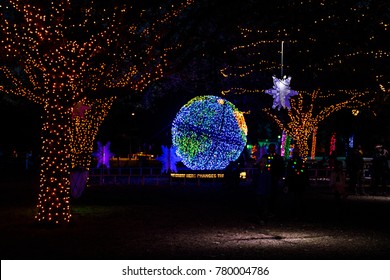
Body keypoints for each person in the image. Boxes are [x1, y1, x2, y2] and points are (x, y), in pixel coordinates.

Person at [261, 143, 285, 216]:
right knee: (265, 195)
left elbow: (281, 168)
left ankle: (272, 210)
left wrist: (279, 177)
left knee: (273, 195)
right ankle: (266, 210)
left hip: (274, 179)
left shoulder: (278, 158)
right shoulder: (265, 157)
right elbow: (261, 166)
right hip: (266, 179)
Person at [285, 147, 309, 218]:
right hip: (294, 182)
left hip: (299, 182)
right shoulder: (292, 161)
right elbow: (289, 172)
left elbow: (304, 172)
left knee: (299, 197)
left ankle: (298, 212)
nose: (295, 154)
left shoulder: (300, 162)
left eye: (296, 153)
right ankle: (294, 211)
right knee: (294, 197)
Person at [252, 158, 272, 225]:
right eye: (261, 163)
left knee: (264, 206)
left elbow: (268, 183)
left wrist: (268, 191)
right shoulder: (257, 172)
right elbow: (254, 182)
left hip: (264, 192)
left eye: (263, 163)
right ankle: (259, 218)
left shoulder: (267, 172)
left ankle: (263, 219)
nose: (262, 164)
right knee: (258, 206)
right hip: (258, 191)